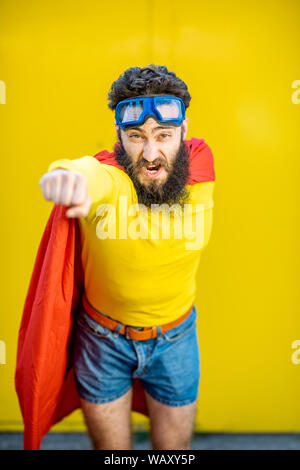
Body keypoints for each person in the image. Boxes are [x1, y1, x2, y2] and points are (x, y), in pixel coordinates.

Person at [38, 64, 216, 450]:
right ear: (119, 136)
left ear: (184, 133)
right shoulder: (111, 176)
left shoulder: (200, 167)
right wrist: (68, 176)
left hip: (177, 338)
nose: (151, 154)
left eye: (163, 135)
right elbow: (90, 172)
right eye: (135, 136)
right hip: (103, 341)